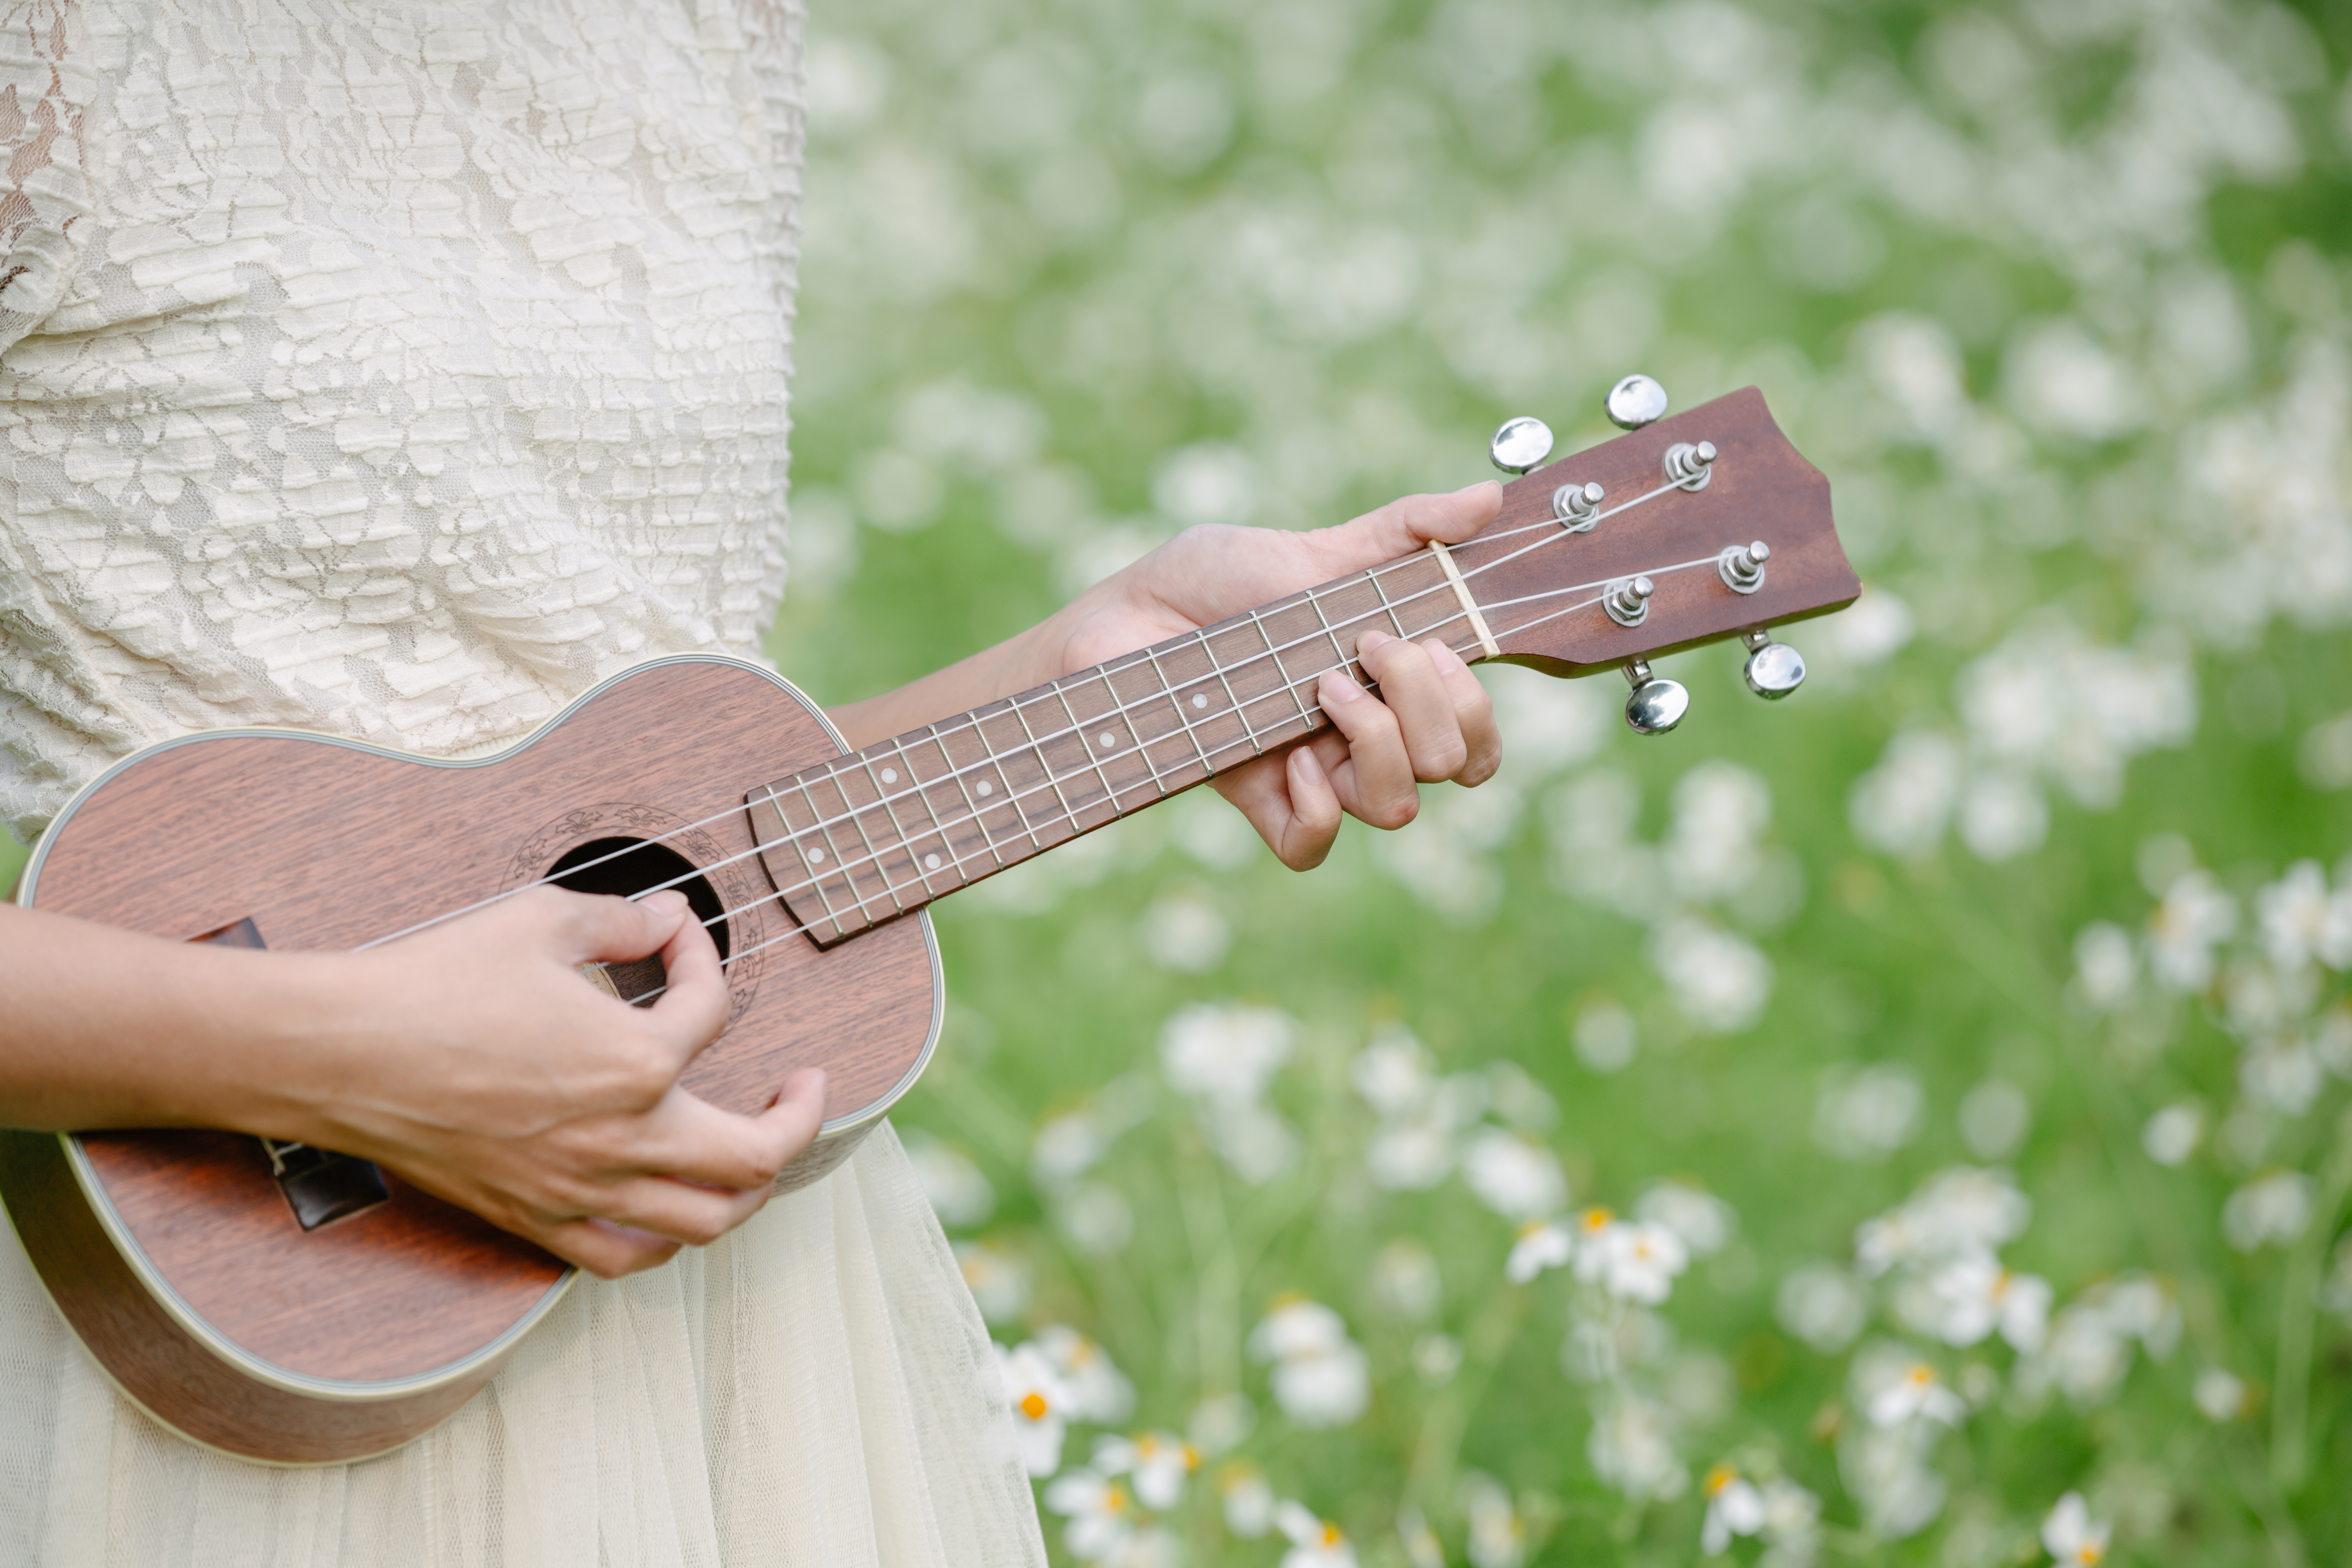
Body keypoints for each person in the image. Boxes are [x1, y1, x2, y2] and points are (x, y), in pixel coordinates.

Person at [0, 4, 1501, 1564]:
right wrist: (355, 1061)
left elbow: (621, 797)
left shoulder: (711, 33)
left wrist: (1093, 663)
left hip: (719, 1298)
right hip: (212, 1268)